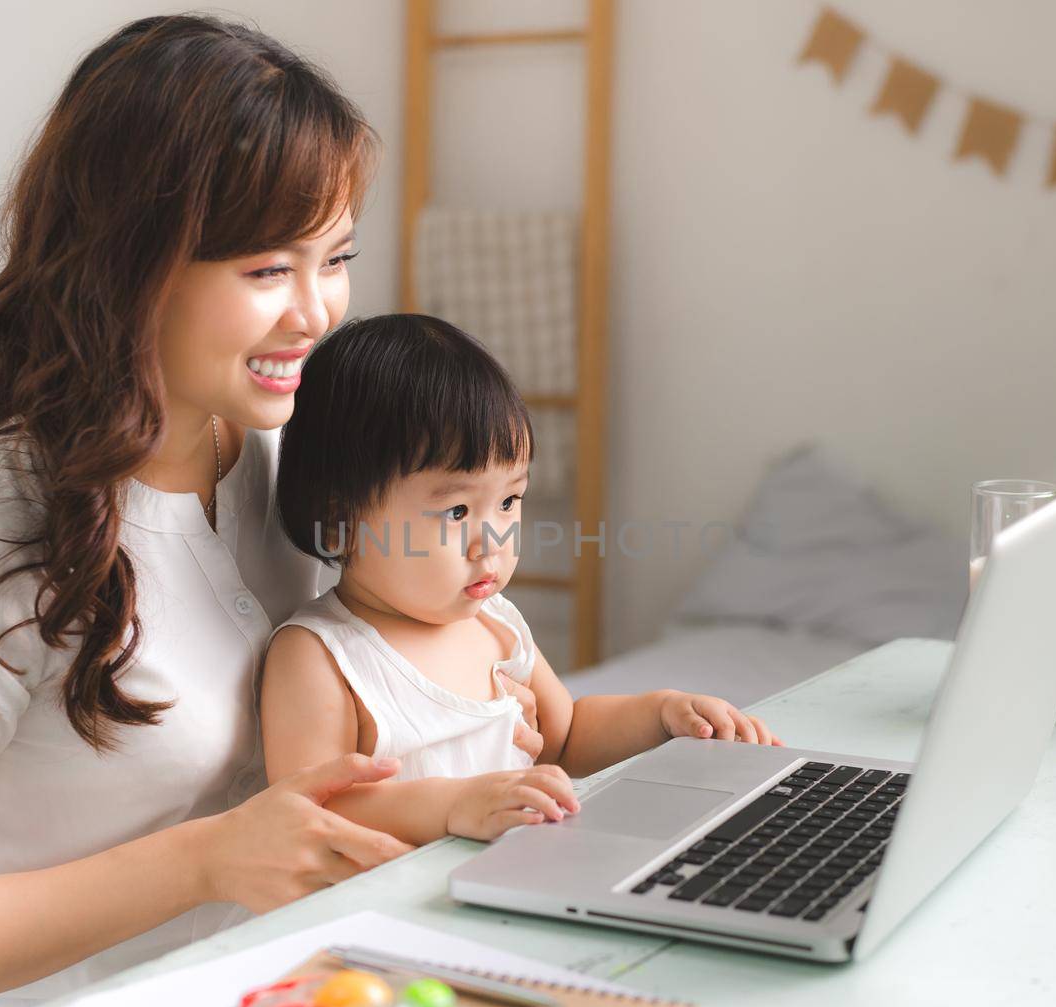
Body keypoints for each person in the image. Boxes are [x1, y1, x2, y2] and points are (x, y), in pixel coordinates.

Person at [0, 16, 488, 1007]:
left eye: (335, 259)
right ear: (131, 264)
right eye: (266, 271)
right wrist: (207, 861)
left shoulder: (276, 454)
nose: (316, 313)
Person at [260, 314, 781, 846]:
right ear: (342, 523)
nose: (493, 541)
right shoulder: (322, 656)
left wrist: (662, 714)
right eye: (457, 511)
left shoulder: (496, 625)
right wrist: (456, 804)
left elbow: (567, 735)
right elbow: (311, 810)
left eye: (509, 501)